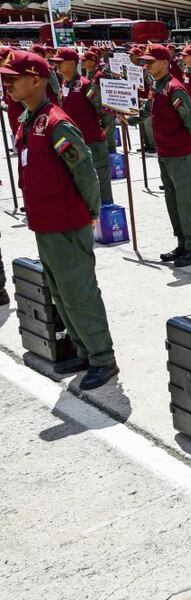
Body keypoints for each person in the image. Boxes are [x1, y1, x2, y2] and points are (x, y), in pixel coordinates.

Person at [2, 49, 119, 390]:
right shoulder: (29, 120)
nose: (7, 84)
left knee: (79, 292)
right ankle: (83, 350)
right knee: (60, 293)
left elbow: (85, 173)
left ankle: (102, 358)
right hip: (46, 223)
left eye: (14, 78)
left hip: (67, 223)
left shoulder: (56, 123)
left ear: (36, 80)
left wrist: (91, 213)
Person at [128, 43, 191, 266]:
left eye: (151, 62)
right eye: (146, 62)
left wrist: (181, 140)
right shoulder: (156, 87)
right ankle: (181, 243)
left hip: (180, 154)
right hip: (165, 153)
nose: (147, 65)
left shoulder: (174, 88)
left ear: (164, 62)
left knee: (185, 200)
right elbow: (146, 111)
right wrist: (128, 117)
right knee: (172, 200)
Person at [51, 47, 113, 209]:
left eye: (60, 62)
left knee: (101, 179)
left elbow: (104, 110)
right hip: (75, 142)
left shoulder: (86, 86)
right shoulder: (64, 84)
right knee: (82, 179)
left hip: (92, 141)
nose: (56, 66)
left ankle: (106, 210)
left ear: (72, 64)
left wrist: (103, 128)